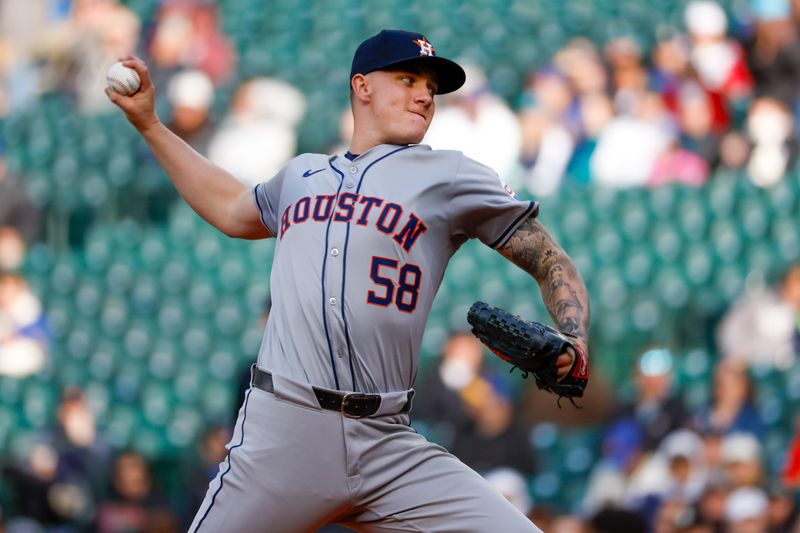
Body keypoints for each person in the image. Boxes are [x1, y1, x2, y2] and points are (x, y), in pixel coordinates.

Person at [106, 29, 590, 532]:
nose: (425, 94)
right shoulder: (302, 176)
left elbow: (549, 258)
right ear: (362, 86)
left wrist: (574, 336)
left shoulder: (451, 177)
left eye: (430, 86)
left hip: (388, 442)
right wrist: (150, 125)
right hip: (284, 433)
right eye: (407, 79)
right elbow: (231, 208)